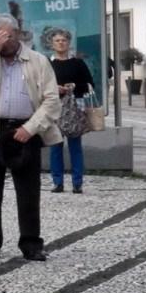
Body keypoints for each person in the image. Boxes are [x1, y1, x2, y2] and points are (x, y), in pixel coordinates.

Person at [0, 13, 61, 262]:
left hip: (25, 129)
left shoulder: (37, 61)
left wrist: (31, 128)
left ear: (17, 34)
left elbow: (52, 100)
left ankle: (31, 243)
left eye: (7, 36)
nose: (3, 41)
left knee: (28, 191)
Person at [46, 30, 96, 194]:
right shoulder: (48, 64)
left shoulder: (78, 63)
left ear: (69, 43)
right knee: (55, 146)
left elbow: (89, 85)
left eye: (64, 40)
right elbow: (41, 86)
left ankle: (77, 183)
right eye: (57, 40)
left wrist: (74, 86)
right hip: (54, 108)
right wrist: (56, 89)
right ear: (52, 44)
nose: (61, 43)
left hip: (75, 108)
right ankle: (57, 182)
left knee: (75, 146)